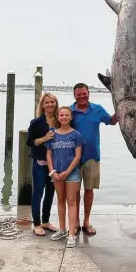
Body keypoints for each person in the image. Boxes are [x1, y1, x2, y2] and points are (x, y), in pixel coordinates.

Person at [70, 83, 117, 236]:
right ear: (74, 95)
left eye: (84, 93)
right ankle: (75, 221)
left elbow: (112, 121)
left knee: (89, 190)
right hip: (73, 158)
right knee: (74, 192)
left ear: (88, 93)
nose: (82, 96)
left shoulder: (97, 109)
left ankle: (86, 221)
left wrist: (121, 110)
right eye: (79, 94)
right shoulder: (69, 111)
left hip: (92, 156)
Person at [46, 106, 84, 247]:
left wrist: (67, 172)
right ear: (58, 117)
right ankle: (62, 229)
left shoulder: (76, 135)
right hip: (56, 172)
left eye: (66, 115)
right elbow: (49, 154)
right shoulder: (52, 134)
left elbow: (78, 156)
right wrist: (53, 172)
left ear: (71, 117)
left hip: (71, 173)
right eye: (61, 115)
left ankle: (72, 234)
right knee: (60, 200)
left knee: (71, 201)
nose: (64, 117)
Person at [26, 92, 59, 236]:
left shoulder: (60, 120)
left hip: (56, 164)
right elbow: (29, 142)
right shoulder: (36, 123)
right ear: (42, 105)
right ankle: (37, 224)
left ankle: (46, 221)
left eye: (52, 102)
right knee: (38, 193)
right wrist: (44, 138)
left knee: (51, 193)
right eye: (47, 102)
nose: (50, 104)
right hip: (40, 163)